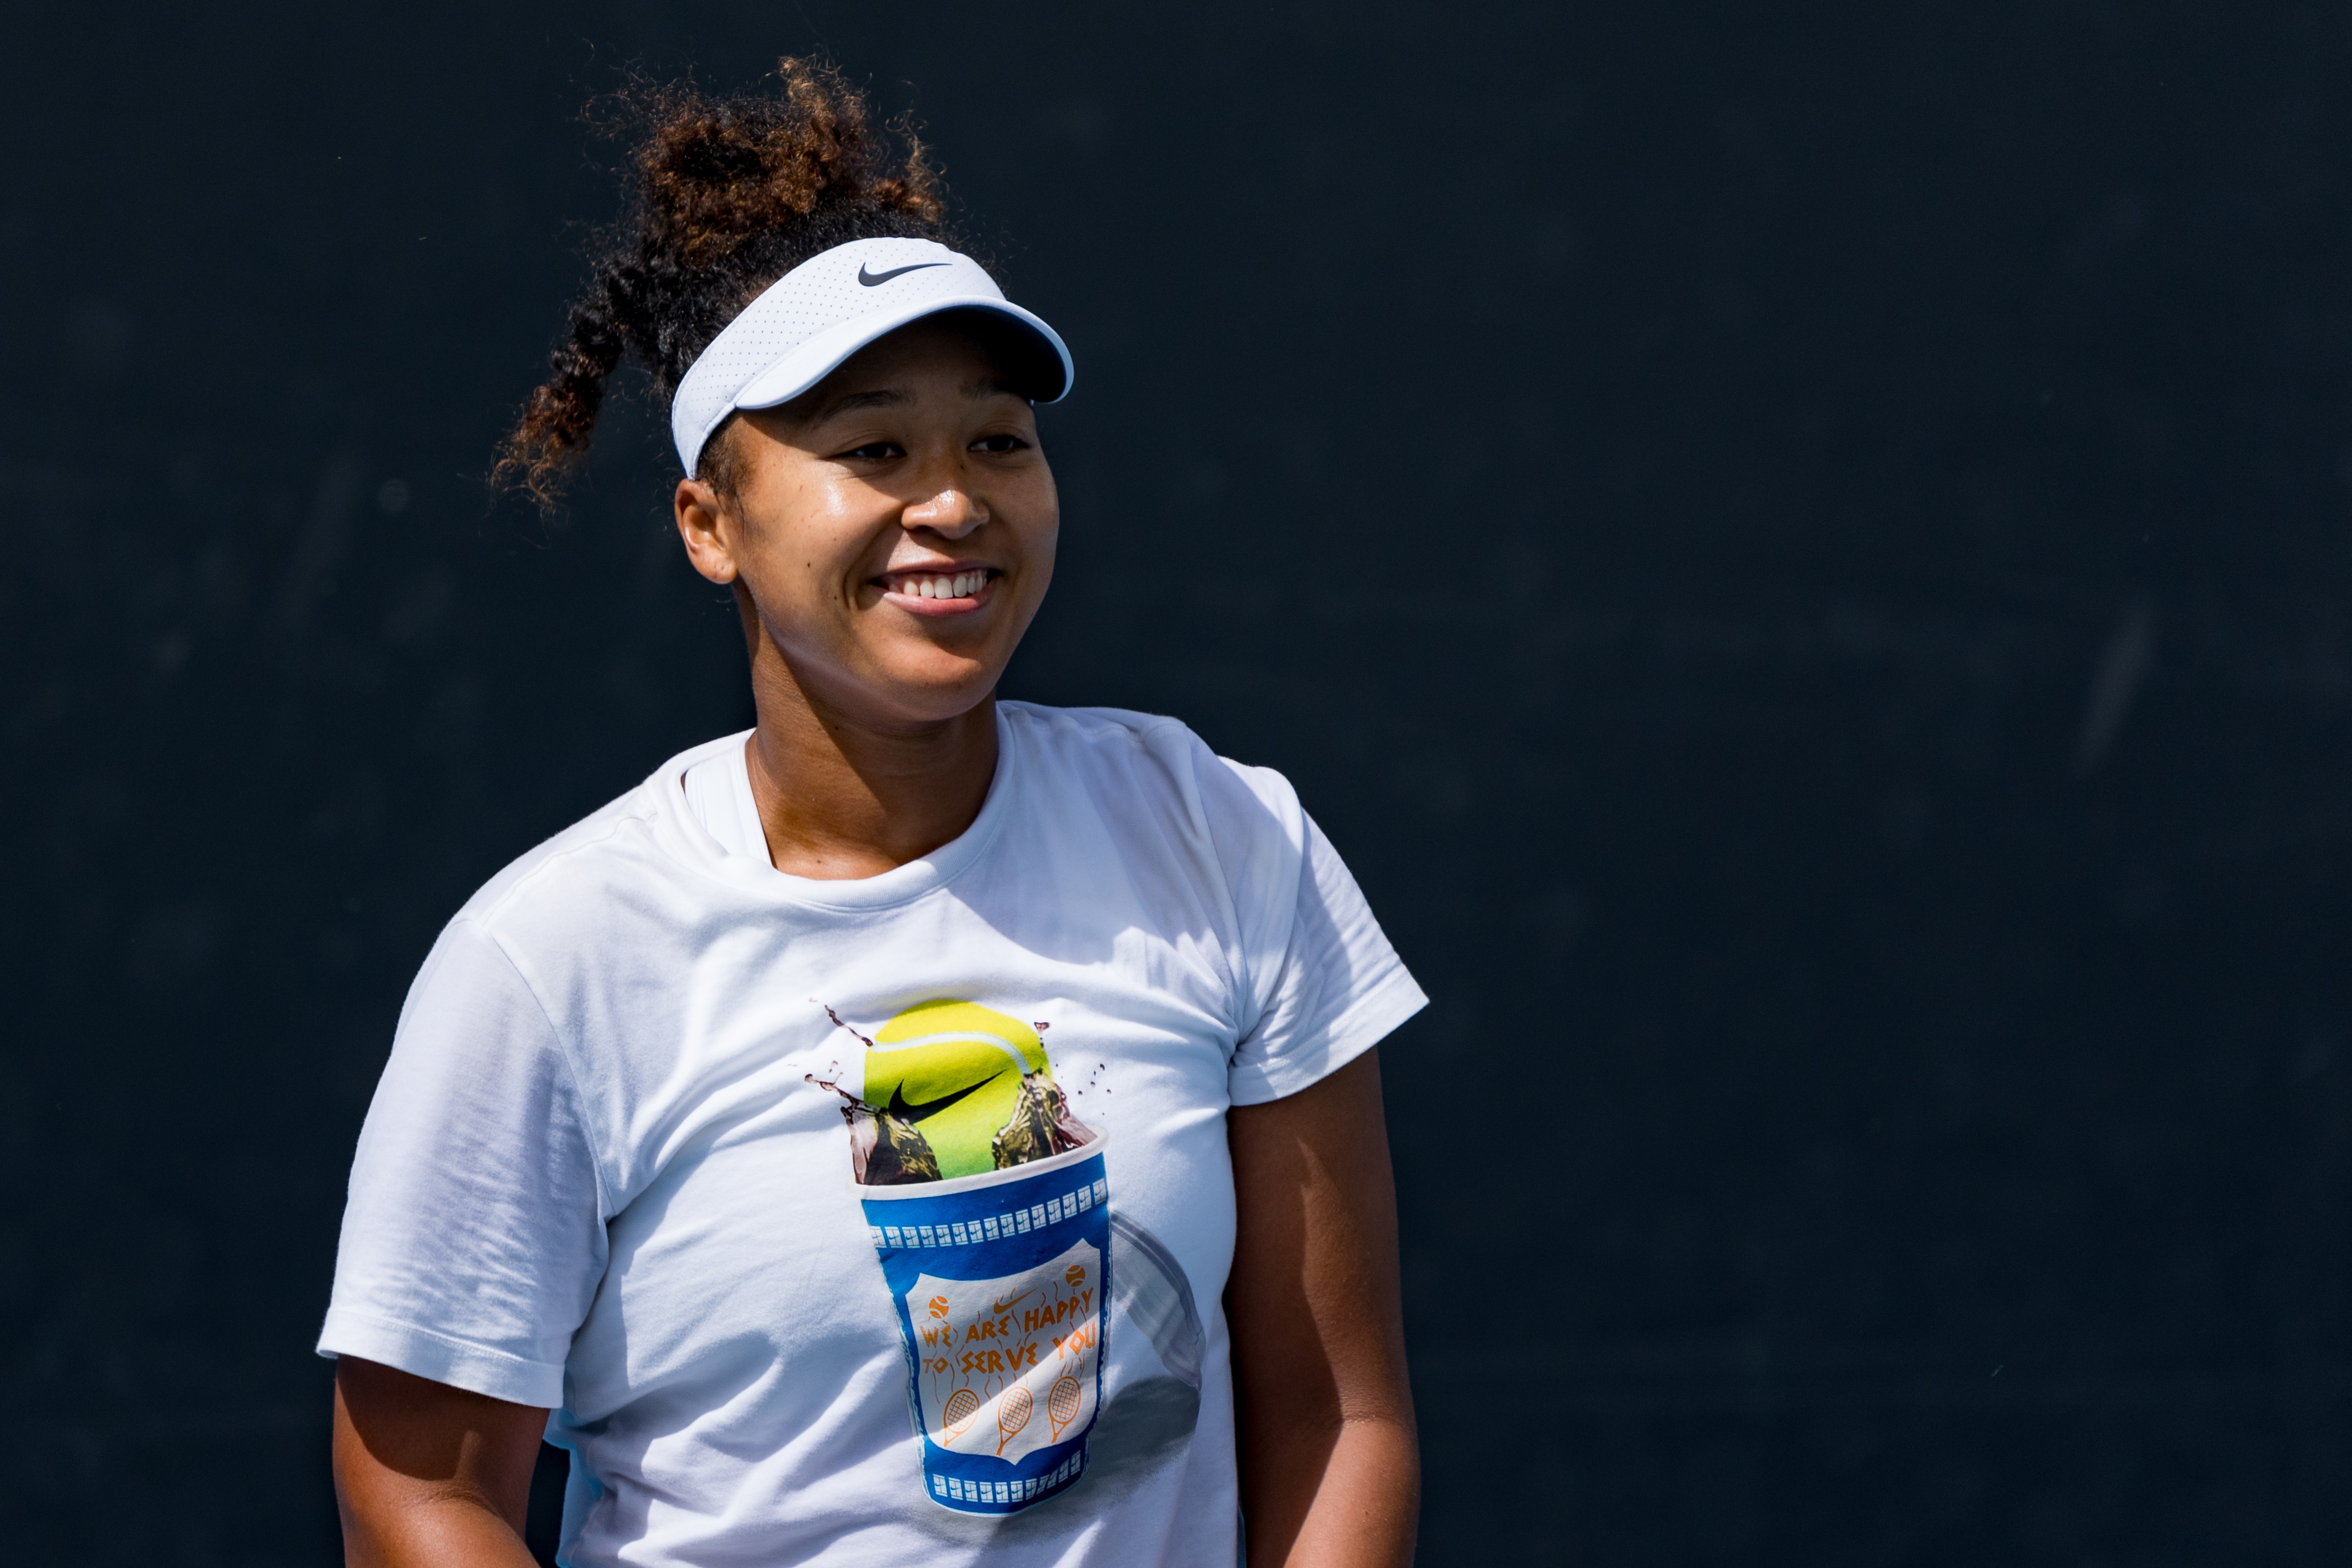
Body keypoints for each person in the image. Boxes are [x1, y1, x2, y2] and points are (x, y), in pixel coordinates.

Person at [320, 59, 1425, 1568]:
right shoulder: (550, 958)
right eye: (873, 450)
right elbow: (421, 1489)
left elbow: (1339, 1416)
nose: (954, 502)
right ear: (711, 523)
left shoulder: (1220, 834)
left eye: (995, 442)